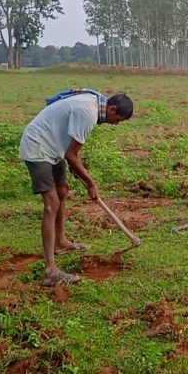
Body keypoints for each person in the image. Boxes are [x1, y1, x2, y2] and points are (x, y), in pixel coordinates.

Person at [19, 90, 134, 287]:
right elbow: (72, 155)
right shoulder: (87, 113)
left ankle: (60, 242)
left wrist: (76, 166)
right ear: (112, 108)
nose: (116, 123)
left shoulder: (95, 102)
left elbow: (71, 154)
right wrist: (90, 183)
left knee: (62, 191)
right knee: (51, 202)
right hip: (38, 146)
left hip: (54, 148)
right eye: (118, 119)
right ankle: (50, 271)